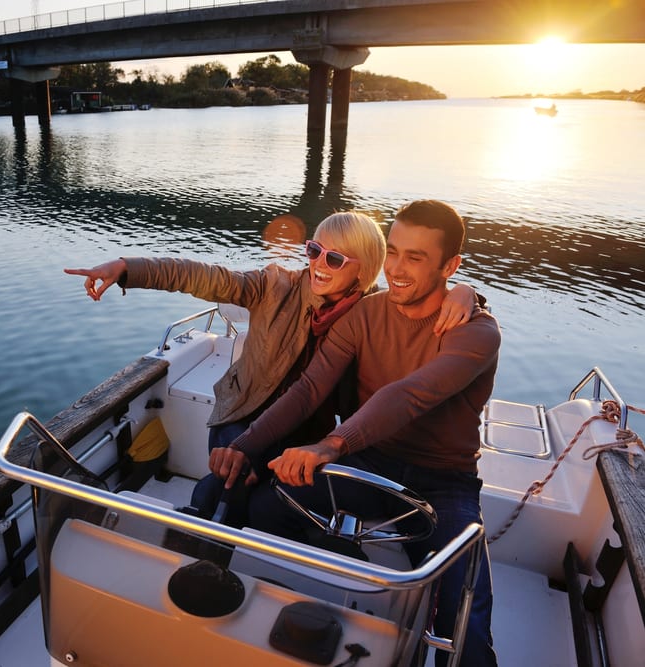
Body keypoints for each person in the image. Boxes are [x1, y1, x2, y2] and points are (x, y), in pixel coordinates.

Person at [65, 211, 477, 526]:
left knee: (274, 494)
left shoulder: (370, 312)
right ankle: (203, 548)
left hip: (309, 432)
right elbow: (201, 276)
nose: (318, 264)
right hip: (244, 416)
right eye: (313, 250)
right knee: (230, 481)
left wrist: (467, 293)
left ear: (365, 269)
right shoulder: (274, 285)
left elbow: (423, 300)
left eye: (334, 258)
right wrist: (127, 268)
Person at [224, 200, 500, 667]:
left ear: (450, 267)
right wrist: (243, 446)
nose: (396, 269)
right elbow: (311, 389)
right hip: (370, 461)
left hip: (442, 482)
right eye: (392, 252)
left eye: (415, 257)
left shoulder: (477, 332)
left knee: (465, 610)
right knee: (261, 506)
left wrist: (332, 444)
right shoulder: (365, 313)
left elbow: (411, 395)